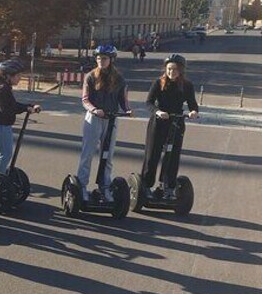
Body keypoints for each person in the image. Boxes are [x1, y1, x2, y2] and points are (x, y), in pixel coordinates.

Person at [141, 54, 199, 199]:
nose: (171, 72)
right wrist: (158, 112)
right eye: (169, 69)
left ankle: (167, 186)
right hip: (159, 122)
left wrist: (193, 112)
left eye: (174, 69)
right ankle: (146, 186)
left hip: (177, 122)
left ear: (181, 70)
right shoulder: (158, 83)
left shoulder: (187, 85)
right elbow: (149, 103)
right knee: (152, 155)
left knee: (172, 156)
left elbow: (193, 104)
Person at [77, 45, 130, 202]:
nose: (101, 61)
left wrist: (127, 110)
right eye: (99, 58)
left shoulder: (119, 78)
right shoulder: (91, 76)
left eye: (104, 58)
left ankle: (105, 187)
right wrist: (94, 110)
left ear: (111, 60)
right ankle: (82, 186)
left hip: (111, 119)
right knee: (87, 154)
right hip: (94, 118)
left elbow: (123, 99)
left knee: (107, 155)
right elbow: (85, 99)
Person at [0, 59, 41, 175]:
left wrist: (27, 107)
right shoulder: (2, 89)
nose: (20, 78)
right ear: (8, 76)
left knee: (2, 155)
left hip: (0, 126)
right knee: (4, 155)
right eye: (18, 75)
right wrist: (25, 109)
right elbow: (5, 109)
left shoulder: (4, 87)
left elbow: (12, 105)